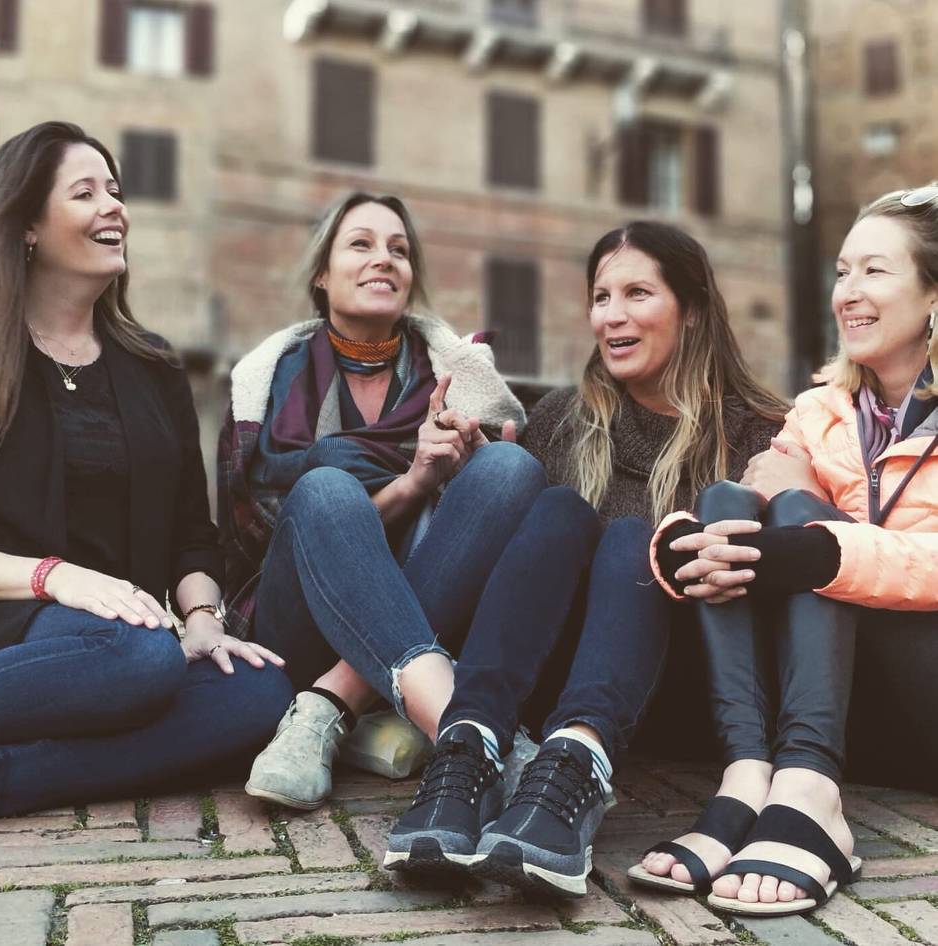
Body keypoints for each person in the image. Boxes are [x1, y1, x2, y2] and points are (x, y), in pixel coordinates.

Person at [383, 221, 787, 896]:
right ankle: (468, 750)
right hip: (545, 688)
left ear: (689, 312)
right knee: (559, 509)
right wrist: (472, 471)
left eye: (636, 293)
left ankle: (582, 767)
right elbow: (530, 576)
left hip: (676, 685)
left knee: (636, 538)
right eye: (601, 297)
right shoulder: (563, 418)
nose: (612, 316)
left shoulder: (759, 432)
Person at [633, 184, 938, 917]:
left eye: (875, 271)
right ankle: (748, 778)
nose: (849, 294)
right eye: (841, 272)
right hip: (844, 691)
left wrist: (821, 547)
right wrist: (680, 553)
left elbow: (815, 550)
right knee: (728, 504)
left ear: (933, 295)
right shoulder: (817, 411)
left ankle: (809, 794)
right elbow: (754, 520)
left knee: (804, 517)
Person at [0, 122, 293, 817]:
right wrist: (54, 576)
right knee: (138, 659)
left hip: (118, 641)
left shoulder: (154, 369)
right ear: (29, 224)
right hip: (14, 624)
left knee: (261, 692)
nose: (114, 207)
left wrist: (205, 619)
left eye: (117, 191)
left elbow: (192, 530)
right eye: (86, 192)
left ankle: (4, 778)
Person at [218, 191, 546, 811]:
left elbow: (477, 535)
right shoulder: (264, 385)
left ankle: (329, 705)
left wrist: (459, 468)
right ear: (322, 273)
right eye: (361, 244)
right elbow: (260, 537)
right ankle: (472, 725)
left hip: (433, 608)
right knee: (324, 489)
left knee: (507, 467)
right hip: (301, 619)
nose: (384, 260)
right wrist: (414, 483)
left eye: (399, 250)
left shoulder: (459, 382)